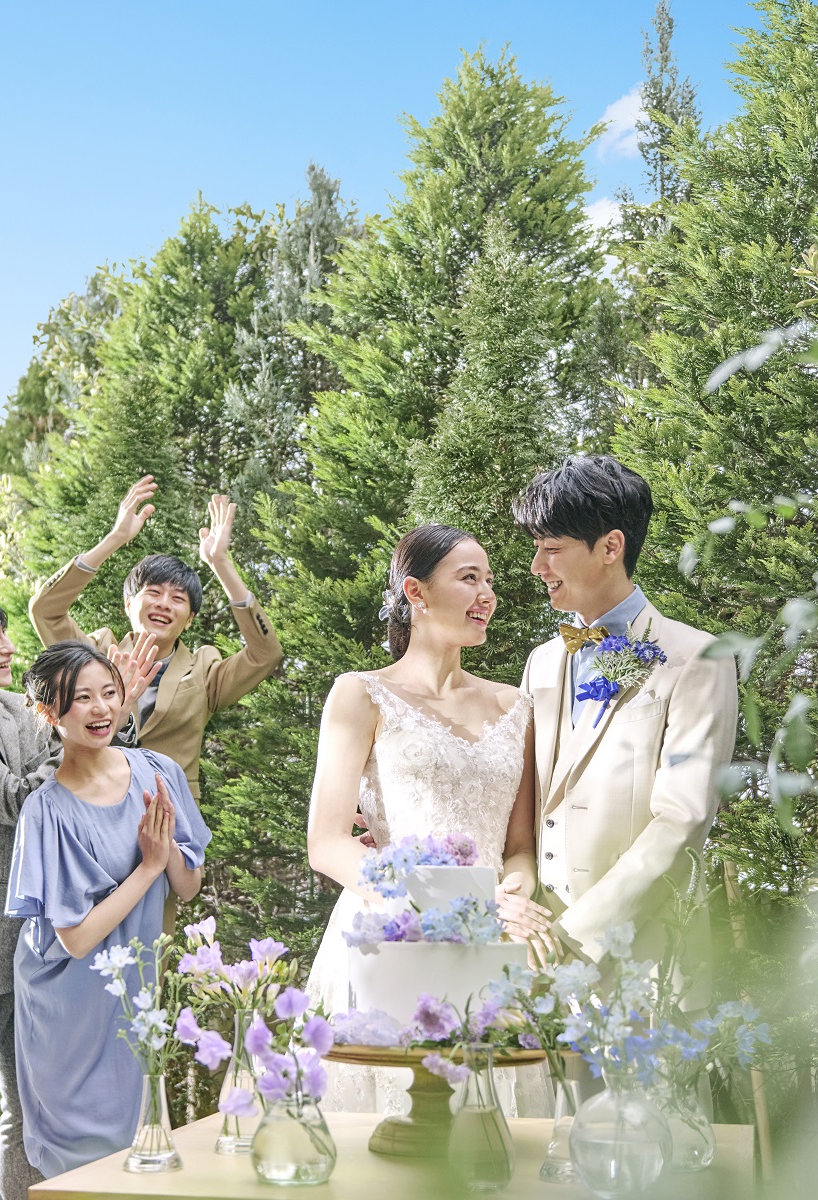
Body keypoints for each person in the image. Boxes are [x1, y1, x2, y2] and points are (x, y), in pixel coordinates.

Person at [303, 524, 555, 1116]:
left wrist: (512, 898)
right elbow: (328, 843)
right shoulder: (359, 694)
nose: (487, 594)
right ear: (415, 592)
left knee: (487, 1128)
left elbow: (519, 846)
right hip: (390, 934)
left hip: (490, 943)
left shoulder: (516, 706)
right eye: (469, 578)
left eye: (489, 580)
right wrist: (450, 908)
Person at [0, 589, 156, 1198]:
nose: (8, 647)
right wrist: (80, 729)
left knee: (30, 1120)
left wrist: (96, 721)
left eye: (5, 632)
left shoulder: (17, 708)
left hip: (45, 955)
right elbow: (22, 799)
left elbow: (84, 767)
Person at [513, 455, 738, 1000]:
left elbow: (682, 820)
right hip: (534, 969)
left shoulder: (697, 658)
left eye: (552, 548)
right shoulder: (542, 663)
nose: (537, 566)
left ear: (611, 547)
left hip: (646, 968)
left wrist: (575, 938)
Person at [5, 641, 209, 1177]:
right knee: (79, 1155)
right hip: (65, 1000)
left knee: (138, 1142)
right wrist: (148, 866)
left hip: (132, 987)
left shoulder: (158, 771)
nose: (100, 709)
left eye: (109, 693)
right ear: (48, 712)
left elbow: (188, 886)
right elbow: (74, 939)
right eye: (81, 698)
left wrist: (166, 856)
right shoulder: (44, 811)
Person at [27, 477, 282, 801]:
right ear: (128, 604)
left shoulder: (205, 671)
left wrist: (221, 564)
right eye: (153, 592)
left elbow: (265, 654)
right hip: (96, 802)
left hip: (172, 810)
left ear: (189, 619)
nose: (164, 603)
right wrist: (116, 538)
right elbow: (45, 610)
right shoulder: (97, 653)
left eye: (177, 598)